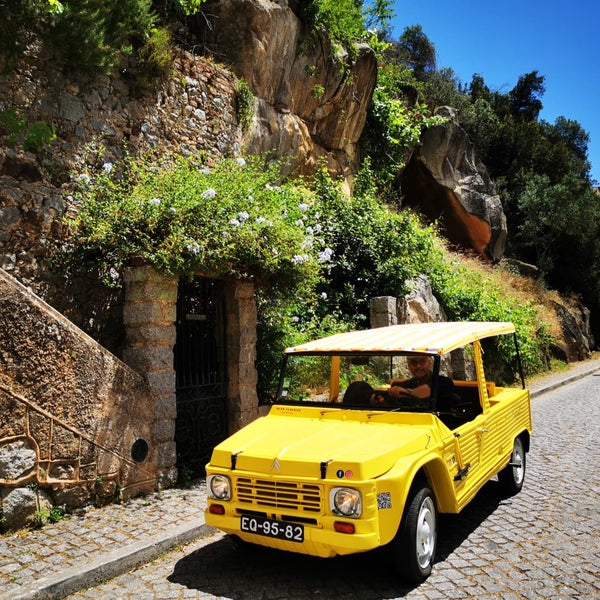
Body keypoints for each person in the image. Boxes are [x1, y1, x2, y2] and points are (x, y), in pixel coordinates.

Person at [371, 355, 454, 407]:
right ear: (408, 365)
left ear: (429, 363)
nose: (418, 366)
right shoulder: (405, 384)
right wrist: (381, 402)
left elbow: (428, 390)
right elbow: (396, 408)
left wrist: (407, 392)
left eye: (422, 361)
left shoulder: (445, 382)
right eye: (413, 362)